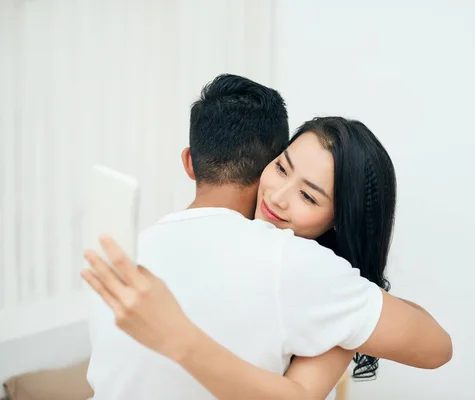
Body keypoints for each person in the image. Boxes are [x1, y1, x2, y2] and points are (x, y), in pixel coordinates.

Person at [84, 74, 452, 400]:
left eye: (308, 196)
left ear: (340, 219)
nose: (276, 196)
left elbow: (436, 347)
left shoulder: (140, 244)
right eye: (280, 168)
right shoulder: (305, 272)